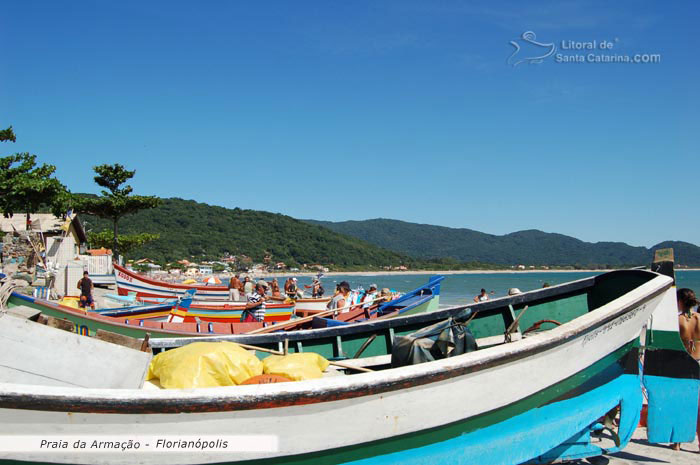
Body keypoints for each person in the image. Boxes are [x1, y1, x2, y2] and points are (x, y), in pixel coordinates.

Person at [675, 288, 700, 451]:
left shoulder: (677, 321)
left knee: (681, 403)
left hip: (684, 363)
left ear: (681, 302)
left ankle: (677, 442)